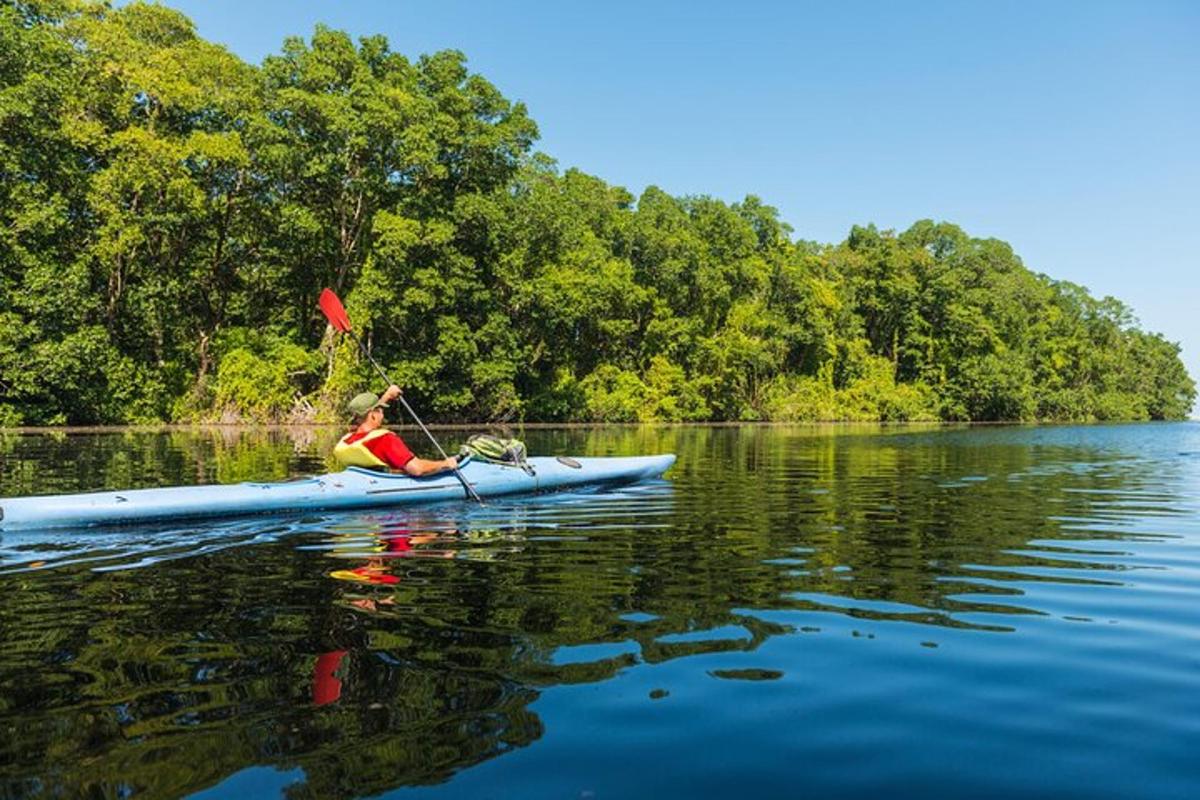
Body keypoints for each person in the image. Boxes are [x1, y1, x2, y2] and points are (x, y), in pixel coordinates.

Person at [333, 385, 460, 476]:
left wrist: (387, 396)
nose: (383, 415)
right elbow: (417, 469)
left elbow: (368, 415)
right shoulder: (385, 439)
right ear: (373, 415)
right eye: (381, 411)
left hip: (363, 483)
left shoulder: (348, 439)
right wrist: (445, 463)